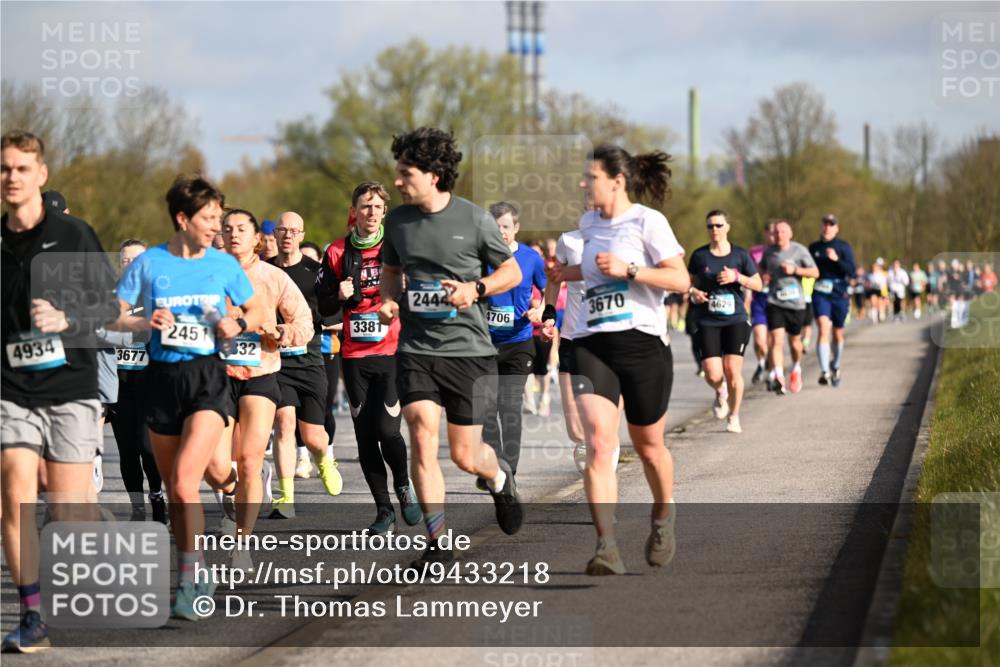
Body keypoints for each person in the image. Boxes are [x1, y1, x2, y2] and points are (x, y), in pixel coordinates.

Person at [111, 175, 266, 619]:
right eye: (209, 218)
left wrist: (237, 324)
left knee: (182, 481)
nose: (217, 227)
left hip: (207, 379)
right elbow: (114, 315)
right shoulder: (150, 263)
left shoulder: (222, 264)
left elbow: (256, 309)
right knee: (180, 492)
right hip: (162, 379)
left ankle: (187, 579)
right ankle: (195, 567)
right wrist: (143, 322)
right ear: (183, 218)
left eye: (220, 218)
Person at [377, 127, 524, 568]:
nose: (397, 182)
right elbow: (391, 271)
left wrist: (474, 289)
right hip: (417, 348)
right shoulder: (397, 222)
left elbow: (512, 272)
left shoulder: (474, 220)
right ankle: (438, 542)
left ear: (434, 175)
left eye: (405, 174)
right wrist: (389, 300)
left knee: (465, 455)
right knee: (421, 434)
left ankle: (499, 478)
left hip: (468, 351)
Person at [1, 131, 119, 652]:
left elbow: (109, 308)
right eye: (5, 168)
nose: (12, 177)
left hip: (70, 385)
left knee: (67, 511)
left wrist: (67, 318)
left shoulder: (73, 235)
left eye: (22, 168)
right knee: (14, 492)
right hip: (11, 388)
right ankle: (33, 616)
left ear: (41, 174)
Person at [549, 145, 689, 575]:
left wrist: (630, 270)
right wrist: (564, 274)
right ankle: (606, 547)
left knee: (649, 448)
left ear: (617, 181)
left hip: (642, 345)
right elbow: (594, 271)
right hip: (592, 344)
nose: (583, 183)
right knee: (599, 444)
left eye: (590, 176)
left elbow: (680, 279)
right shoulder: (587, 224)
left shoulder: (649, 221)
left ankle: (663, 515)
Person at [317, 182, 421, 534]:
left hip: (391, 353)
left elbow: (419, 292)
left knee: (388, 431)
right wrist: (337, 294)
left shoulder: (398, 248)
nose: (371, 212)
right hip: (354, 356)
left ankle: (403, 484)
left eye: (377, 206)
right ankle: (383, 510)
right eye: (365, 206)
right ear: (354, 212)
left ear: (384, 212)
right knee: (365, 436)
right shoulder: (336, 252)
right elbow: (322, 306)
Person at [266, 211, 342, 521]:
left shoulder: (317, 272)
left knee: (312, 437)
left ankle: (324, 458)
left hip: (310, 361)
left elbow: (333, 317)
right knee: (284, 422)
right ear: (274, 235)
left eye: (293, 231)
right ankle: (285, 498)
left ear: (301, 235)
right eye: (282, 230)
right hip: (276, 362)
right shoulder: (263, 270)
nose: (287, 236)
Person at [478, 202, 546, 487]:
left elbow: (545, 291)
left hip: (518, 343)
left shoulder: (531, 258)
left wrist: (539, 310)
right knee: (486, 409)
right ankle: (493, 466)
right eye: (495, 228)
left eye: (506, 227)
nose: (501, 232)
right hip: (485, 344)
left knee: (509, 407)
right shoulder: (479, 256)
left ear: (516, 228)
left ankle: (509, 471)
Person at [102, 239, 166, 522]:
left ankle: (157, 497)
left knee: (147, 448)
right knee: (127, 451)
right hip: (120, 385)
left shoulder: (159, 296)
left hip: (151, 385)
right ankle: (137, 507)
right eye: (125, 260)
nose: (131, 265)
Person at [687, 210, 762, 434]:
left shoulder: (740, 255)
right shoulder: (699, 256)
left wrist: (737, 277)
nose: (714, 230)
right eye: (710, 226)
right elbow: (687, 283)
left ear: (727, 227)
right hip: (708, 320)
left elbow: (758, 285)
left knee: (732, 370)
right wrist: (693, 293)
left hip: (736, 319)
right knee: (712, 373)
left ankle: (734, 416)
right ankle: (721, 391)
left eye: (719, 225)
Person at [760, 220, 819, 394]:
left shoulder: (799, 250)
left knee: (794, 343)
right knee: (776, 340)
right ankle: (779, 376)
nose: (779, 235)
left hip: (796, 304)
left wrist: (795, 270)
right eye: (776, 232)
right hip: (775, 301)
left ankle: (796, 368)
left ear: (790, 234)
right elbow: (761, 268)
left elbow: (815, 272)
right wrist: (764, 276)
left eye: (783, 232)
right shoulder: (769, 252)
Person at [808, 214, 856, 387]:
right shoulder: (814, 247)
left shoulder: (843, 247)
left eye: (831, 224)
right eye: (825, 224)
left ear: (836, 228)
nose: (827, 227)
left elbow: (851, 271)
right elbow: (807, 268)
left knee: (837, 333)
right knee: (823, 328)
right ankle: (824, 371)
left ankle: (835, 365)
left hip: (839, 292)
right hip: (820, 292)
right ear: (821, 226)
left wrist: (837, 260)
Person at [748, 223, 776, 384]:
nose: (772, 236)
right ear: (765, 233)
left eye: (775, 233)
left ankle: (771, 372)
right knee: (759, 340)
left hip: (775, 300)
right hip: (758, 299)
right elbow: (747, 273)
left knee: (772, 341)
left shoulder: (781, 252)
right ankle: (761, 363)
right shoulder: (755, 251)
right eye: (770, 233)